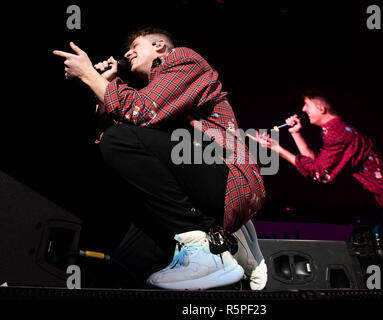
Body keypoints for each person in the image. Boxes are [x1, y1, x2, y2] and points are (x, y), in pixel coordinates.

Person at [53, 27, 266, 290]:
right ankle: (226, 236)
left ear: (159, 47)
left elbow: (139, 113)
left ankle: (208, 250)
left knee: (118, 140)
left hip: (228, 177)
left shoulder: (183, 60)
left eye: (136, 46)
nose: (127, 52)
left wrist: (87, 73)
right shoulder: (155, 89)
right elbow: (117, 130)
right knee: (132, 262)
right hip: (200, 182)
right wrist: (101, 83)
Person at [249, 92, 383, 289]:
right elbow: (318, 164)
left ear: (321, 108)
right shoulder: (335, 131)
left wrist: (278, 150)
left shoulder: (338, 133)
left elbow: (320, 173)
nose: (303, 110)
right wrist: (295, 134)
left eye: (307, 105)